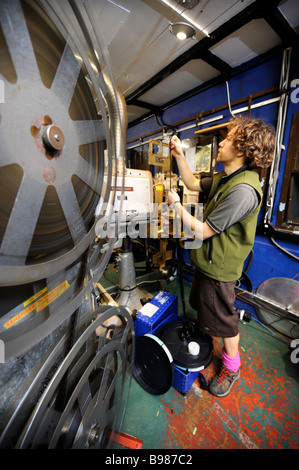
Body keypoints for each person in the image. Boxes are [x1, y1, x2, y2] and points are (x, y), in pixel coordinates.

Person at [167, 116, 275, 397]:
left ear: (241, 150)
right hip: (208, 262)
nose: (222, 142)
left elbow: (203, 231)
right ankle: (206, 331)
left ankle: (231, 366)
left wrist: (177, 207)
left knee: (226, 322)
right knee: (206, 307)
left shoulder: (242, 191)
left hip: (220, 269)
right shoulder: (227, 178)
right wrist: (179, 155)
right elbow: (191, 182)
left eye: (228, 139)